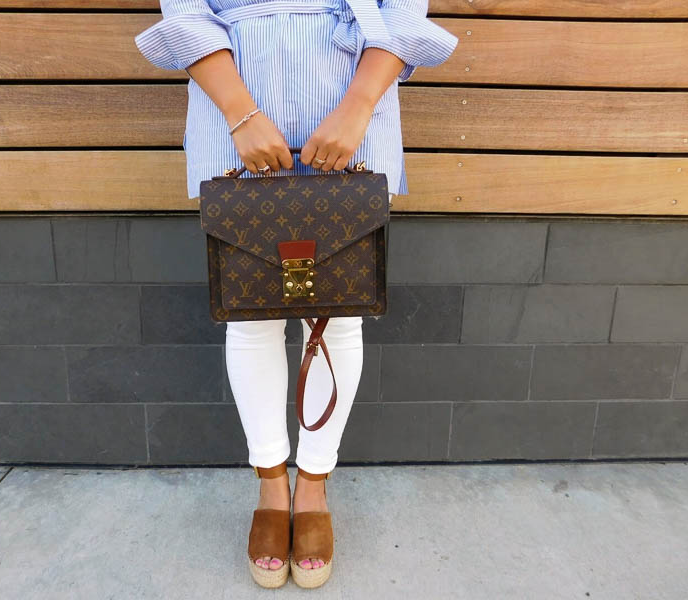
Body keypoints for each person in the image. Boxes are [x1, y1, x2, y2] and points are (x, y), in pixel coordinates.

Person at [134, 0, 458, 588]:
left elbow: (404, 10)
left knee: (339, 315)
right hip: (237, 110)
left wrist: (360, 105)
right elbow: (184, 11)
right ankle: (270, 488)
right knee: (250, 314)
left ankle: (312, 489)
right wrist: (240, 113)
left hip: (352, 105)